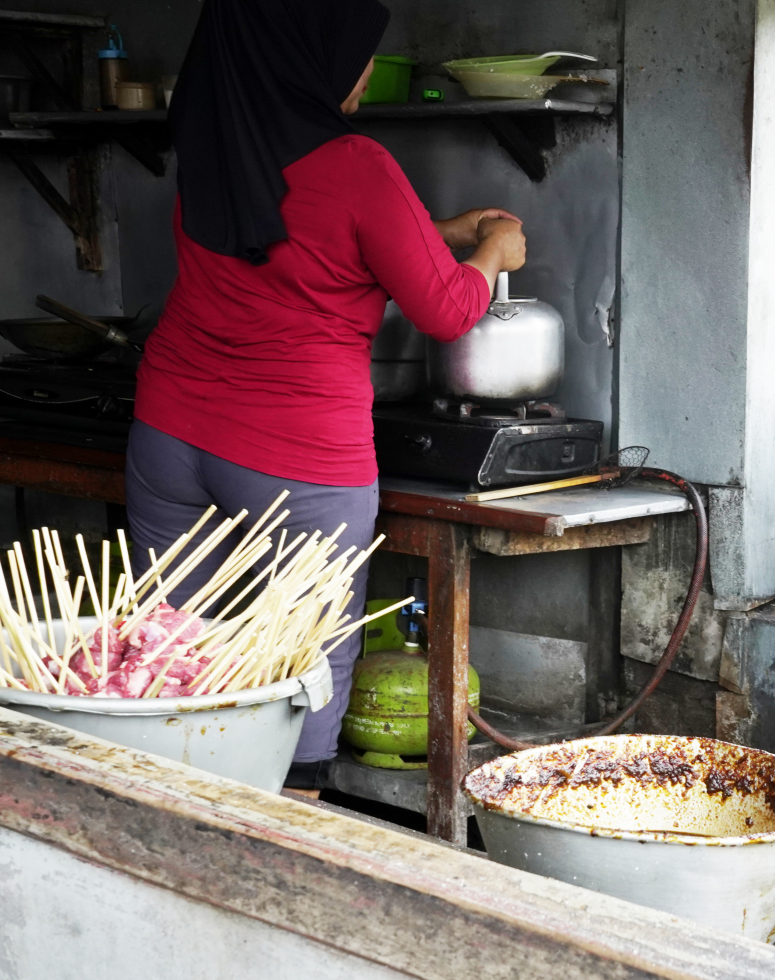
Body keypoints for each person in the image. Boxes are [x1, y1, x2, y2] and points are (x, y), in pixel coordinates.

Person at [125, 0, 526, 796]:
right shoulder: (356, 164)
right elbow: (446, 309)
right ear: (307, 61)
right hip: (297, 450)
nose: (368, 72)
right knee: (310, 649)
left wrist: (431, 229)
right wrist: (490, 250)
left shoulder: (213, 146)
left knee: (172, 639)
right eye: (357, 53)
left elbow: (285, 237)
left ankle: (168, 807)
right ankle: (295, 827)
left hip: (169, 432)